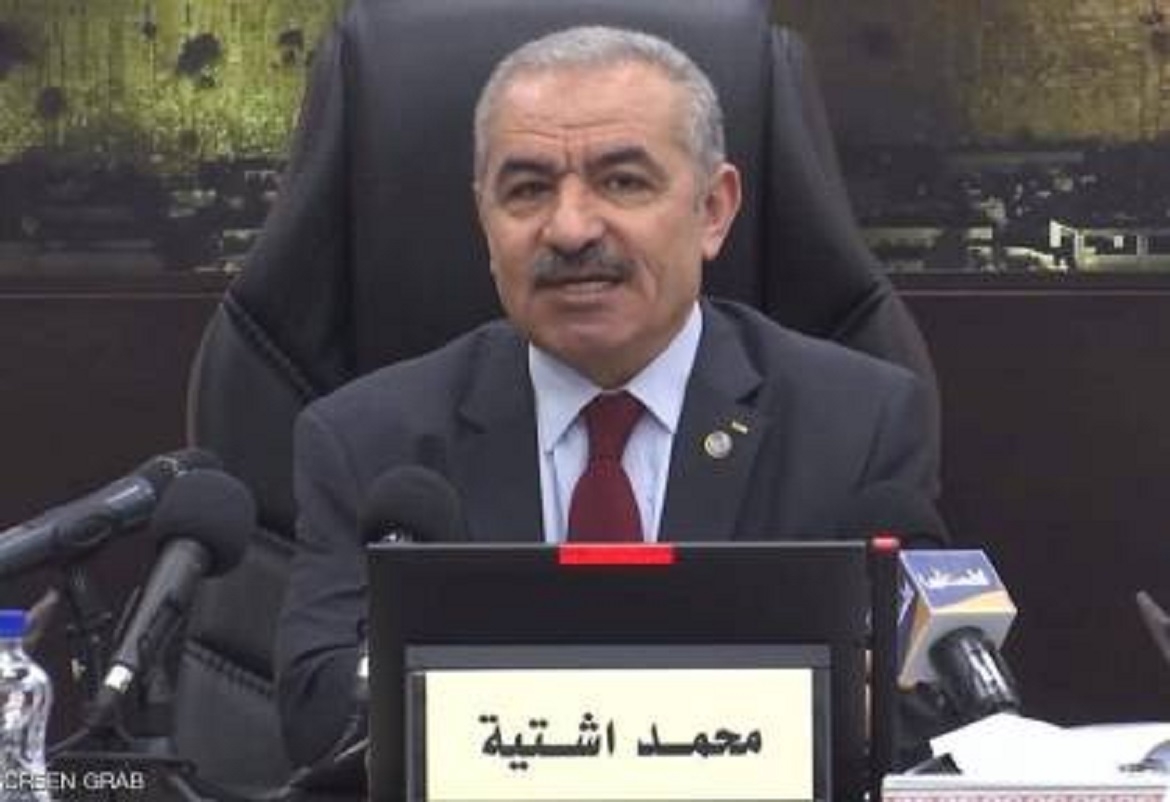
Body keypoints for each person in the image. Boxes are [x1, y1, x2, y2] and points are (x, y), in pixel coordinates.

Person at [276, 25, 939, 768]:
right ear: (484, 220)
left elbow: (932, 705)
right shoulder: (370, 441)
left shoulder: (857, 424)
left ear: (713, 210)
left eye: (623, 182)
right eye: (528, 190)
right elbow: (318, 720)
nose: (570, 228)